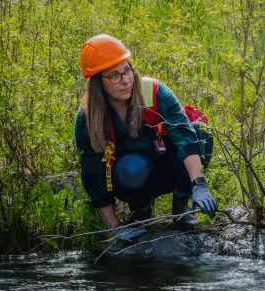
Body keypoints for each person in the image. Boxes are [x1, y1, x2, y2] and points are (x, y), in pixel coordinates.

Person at [74, 34, 217, 242]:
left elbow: (184, 134)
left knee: (200, 133)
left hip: (167, 165)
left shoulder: (155, 91)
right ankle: (141, 211)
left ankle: (181, 207)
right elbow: (92, 173)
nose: (125, 81)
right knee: (132, 167)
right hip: (131, 176)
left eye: (127, 70)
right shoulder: (88, 118)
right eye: (114, 76)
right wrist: (114, 227)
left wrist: (199, 184)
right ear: (97, 82)